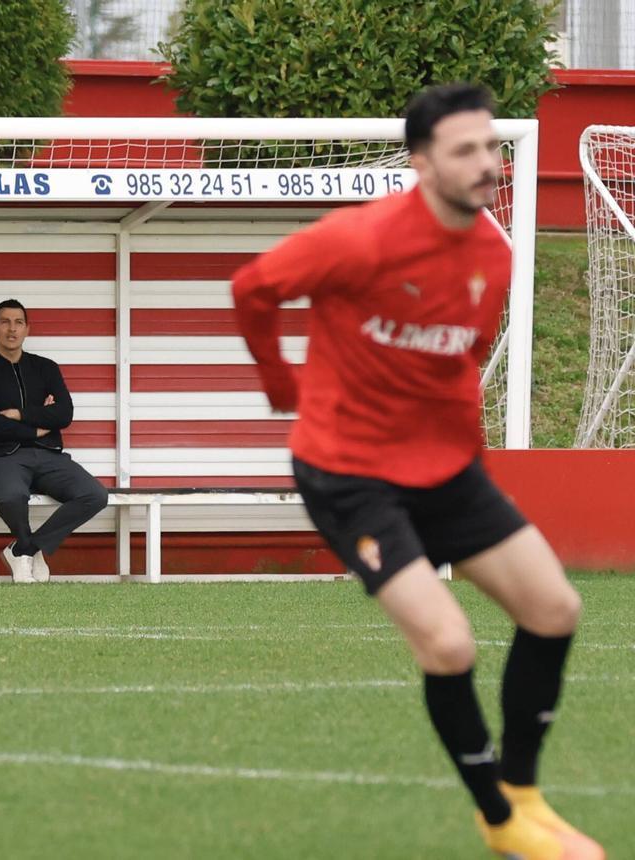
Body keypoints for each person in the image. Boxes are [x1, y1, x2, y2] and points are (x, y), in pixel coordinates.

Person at [231, 83, 602, 860]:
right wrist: (281, 387)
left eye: (490, 147)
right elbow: (253, 287)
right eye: (464, 150)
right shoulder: (358, 239)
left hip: (445, 471)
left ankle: (527, 797)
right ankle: (497, 817)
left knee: (555, 609)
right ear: (421, 162)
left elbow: (459, 364)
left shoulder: (493, 257)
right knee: (449, 645)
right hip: (349, 473)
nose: (486, 164)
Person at [0, 299, 108, 583]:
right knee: (13, 496)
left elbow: (64, 414)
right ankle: (31, 548)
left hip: (49, 455)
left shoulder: (46, 368)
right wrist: (37, 426)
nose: (12, 329)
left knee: (94, 494)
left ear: (28, 329)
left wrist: (18, 415)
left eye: (18, 322)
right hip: (2, 458)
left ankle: (25, 548)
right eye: (5, 322)